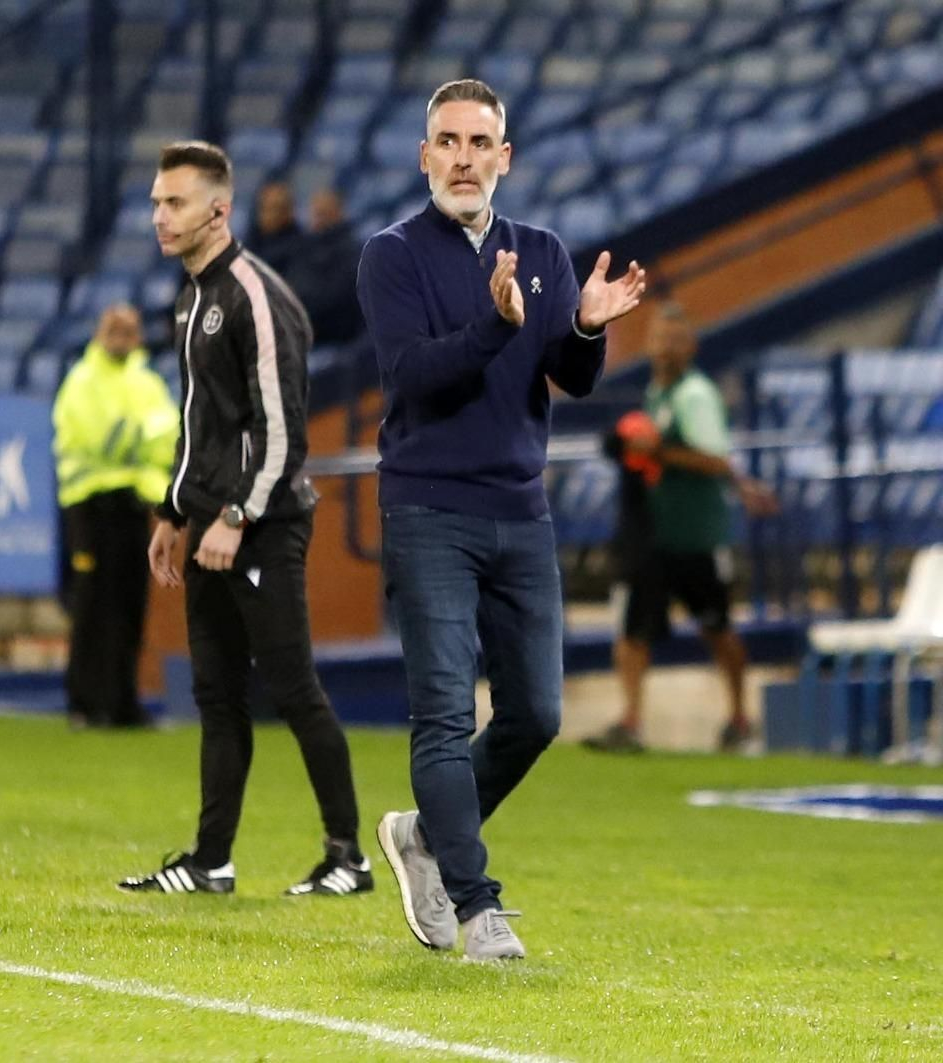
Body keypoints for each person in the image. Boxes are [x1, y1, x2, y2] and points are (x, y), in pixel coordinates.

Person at [356, 80, 646, 960]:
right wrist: (495, 323)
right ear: (424, 156)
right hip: (427, 507)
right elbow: (414, 376)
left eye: (480, 143)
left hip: (521, 511)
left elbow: (574, 376)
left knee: (536, 714)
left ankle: (422, 835)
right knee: (442, 712)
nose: (463, 158)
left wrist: (587, 329)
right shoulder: (392, 255)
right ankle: (476, 903)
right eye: (447, 141)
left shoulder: (546, 252)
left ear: (505, 157)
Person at [118, 141, 371, 899]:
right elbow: (204, 422)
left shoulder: (255, 295)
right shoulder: (190, 294)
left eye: (175, 203)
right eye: (158, 202)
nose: (159, 216)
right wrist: (173, 507)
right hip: (210, 523)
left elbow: (285, 429)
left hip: (263, 523)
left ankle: (348, 857)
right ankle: (211, 860)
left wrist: (234, 514)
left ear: (218, 211)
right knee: (218, 695)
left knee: (293, 688)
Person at [585, 303, 776, 755]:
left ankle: (739, 719)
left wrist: (656, 452)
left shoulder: (694, 394)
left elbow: (714, 458)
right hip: (655, 535)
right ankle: (630, 722)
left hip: (695, 535)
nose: (665, 348)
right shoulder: (658, 392)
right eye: (659, 338)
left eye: (675, 340)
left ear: (690, 347)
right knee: (633, 629)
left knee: (718, 628)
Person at [53, 302, 179, 730]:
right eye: (115, 331)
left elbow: (168, 439)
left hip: (133, 506)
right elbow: (101, 439)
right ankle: (83, 704)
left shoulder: (146, 382)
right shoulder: (82, 381)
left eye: (130, 331)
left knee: (129, 605)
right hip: (89, 505)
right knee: (91, 603)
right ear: (100, 334)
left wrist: (138, 438)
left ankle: (123, 702)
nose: (122, 339)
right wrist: (140, 436)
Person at [289, 188, 366, 347]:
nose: (318, 219)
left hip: (334, 339)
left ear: (339, 213)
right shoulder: (303, 248)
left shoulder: (352, 252)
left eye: (324, 213)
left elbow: (336, 299)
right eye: (316, 213)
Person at [243, 179, 304, 281]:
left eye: (274, 209)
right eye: (263, 208)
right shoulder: (251, 240)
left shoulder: (299, 247)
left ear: (288, 212)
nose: (266, 215)